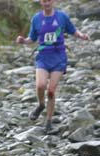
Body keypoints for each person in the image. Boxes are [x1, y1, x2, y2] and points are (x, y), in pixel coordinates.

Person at [16, 0, 89, 133]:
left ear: (53, 2)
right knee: (40, 85)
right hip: (43, 57)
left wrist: (81, 36)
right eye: (44, 1)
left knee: (51, 91)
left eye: (49, 0)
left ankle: (49, 121)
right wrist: (23, 41)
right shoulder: (37, 19)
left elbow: (73, 31)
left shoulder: (62, 17)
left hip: (59, 57)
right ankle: (41, 105)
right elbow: (31, 38)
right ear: (41, 3)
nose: (47, 3)